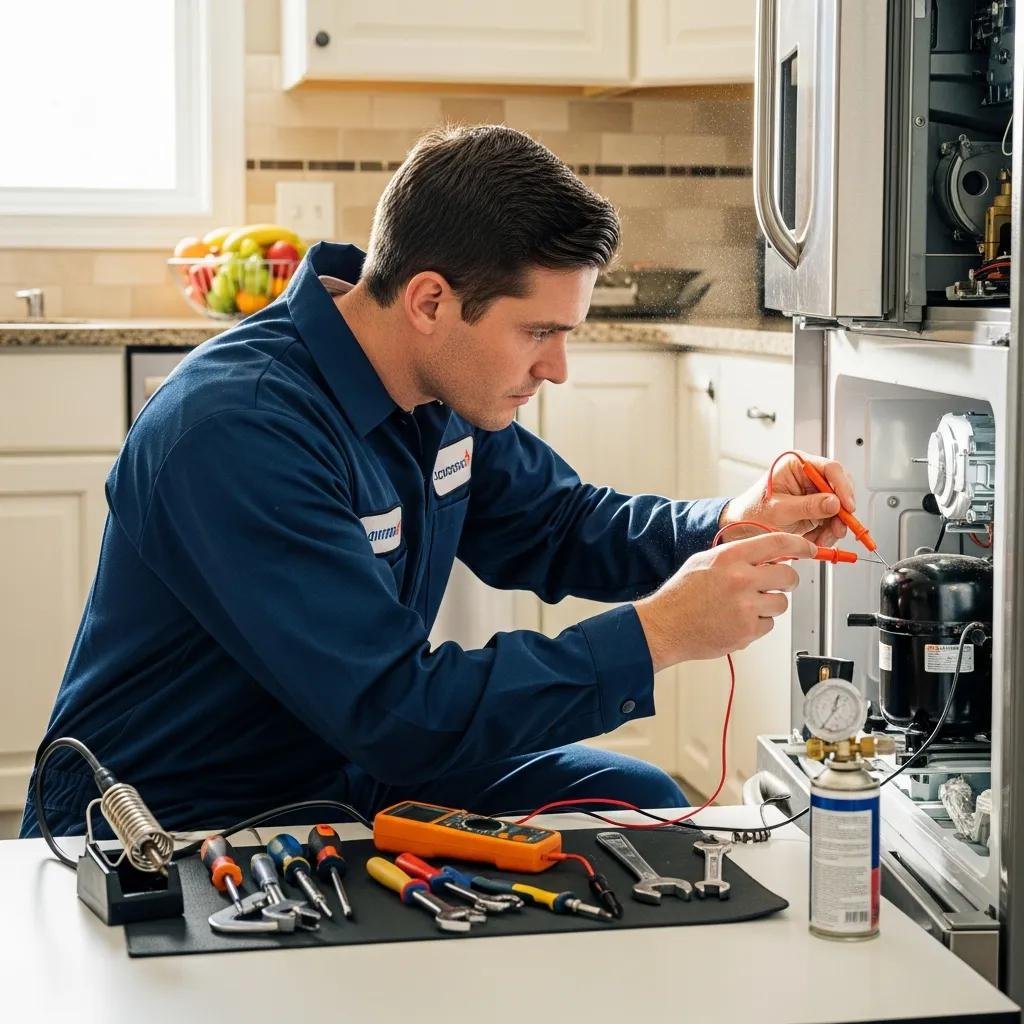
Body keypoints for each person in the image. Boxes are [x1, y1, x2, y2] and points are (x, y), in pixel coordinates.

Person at [22, 125, 853, 839]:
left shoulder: (434, 385)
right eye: (538, 331)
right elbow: (395, 710)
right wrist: (657, 634)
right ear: (428, 300)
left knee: (630, 798)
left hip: (348, 771)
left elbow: (556, 524)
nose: (556, 368)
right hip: (179, 815)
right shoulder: (237, 432)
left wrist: (726, 525)